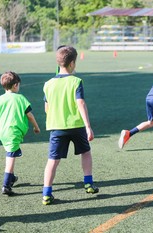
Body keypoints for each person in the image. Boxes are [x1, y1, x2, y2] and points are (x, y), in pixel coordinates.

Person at [42, 46, 98, 205]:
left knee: (53, 160)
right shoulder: (76, 81)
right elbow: (80, 102)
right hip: (76, 125)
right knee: (86, 152)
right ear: (72, 63)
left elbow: (47, 108)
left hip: (56, 127)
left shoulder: (48, 84)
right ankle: (88, 184)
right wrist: (88, 126)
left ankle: (46, 193)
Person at [0, 71, 41, 195]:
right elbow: (29, 115)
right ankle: (6, 185)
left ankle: (12, 178)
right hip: (14, 132)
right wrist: (36, 127)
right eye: (19, 85)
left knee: (10, 151)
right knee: (10, 157)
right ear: (15, 85)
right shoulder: (21, 98)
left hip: (3, 132)